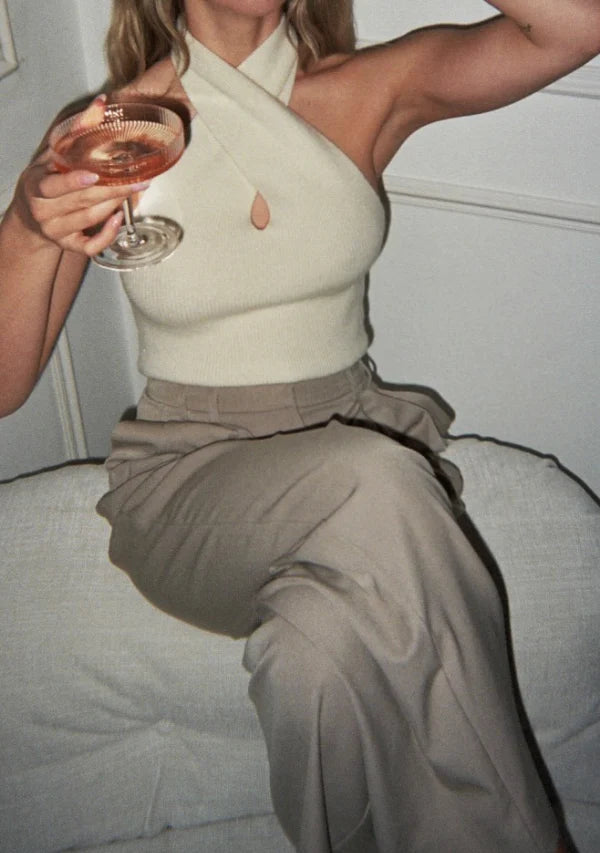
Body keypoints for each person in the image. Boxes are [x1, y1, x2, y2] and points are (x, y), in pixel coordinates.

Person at [1, 0, 599, 849]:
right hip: (191, 483)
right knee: (377, 478)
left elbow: (575, 28)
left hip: (351, 433)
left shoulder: (371, 88)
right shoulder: (118, 133)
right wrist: (30, 227)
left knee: (312, 660)